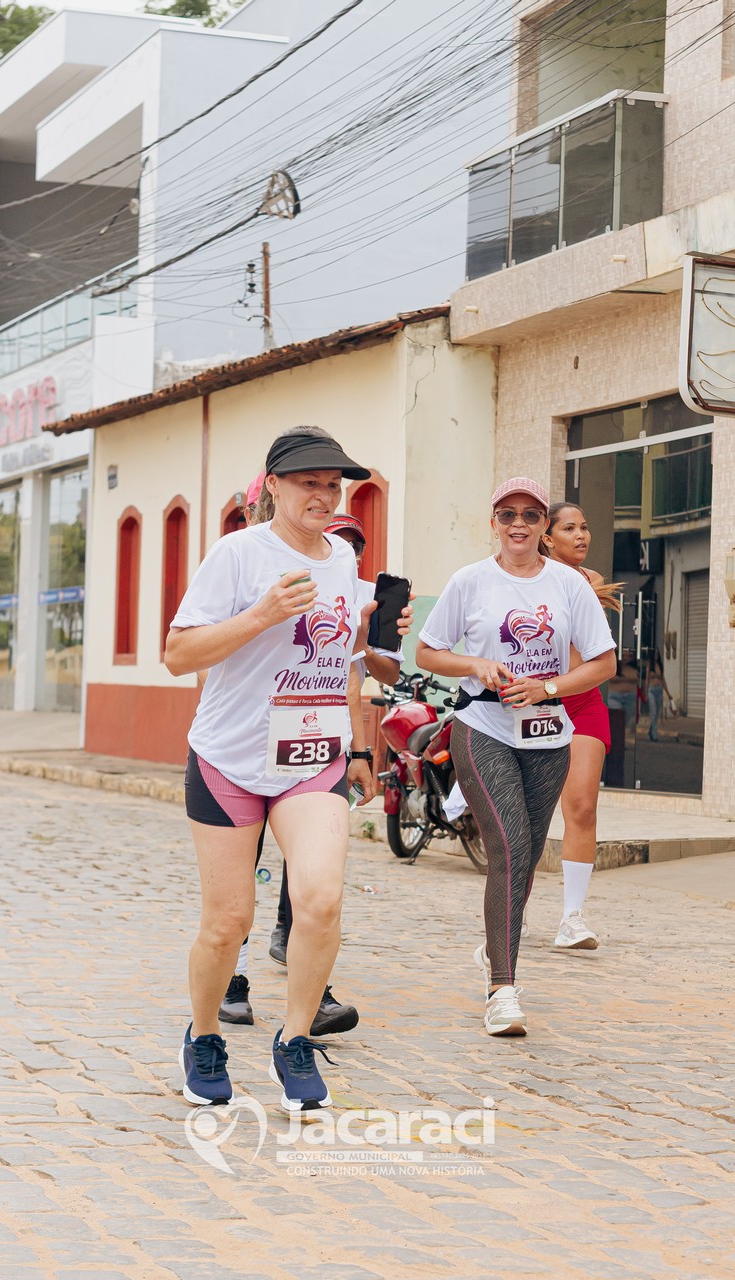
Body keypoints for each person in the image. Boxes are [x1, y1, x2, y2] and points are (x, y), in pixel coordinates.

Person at [165, 428, 376, 1111]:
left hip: (311, 758)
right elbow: (177, 654)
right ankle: (203, 1035)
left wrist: (360, 734)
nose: (323, 494)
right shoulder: (238, 553)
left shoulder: (343, 558)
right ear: (275, 486)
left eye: (332, 484)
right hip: (229, 758)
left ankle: (295, 1039)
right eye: (308, 482)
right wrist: (260, 615)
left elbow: (344, 659)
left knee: (320, 898)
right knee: (228, 922)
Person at [415, 477, 616, 1037]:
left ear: (544, 526)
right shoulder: (470, 581)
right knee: (508, 846)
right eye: (508, 515)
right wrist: (474, 665)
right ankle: (502, 989)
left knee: (524, 855)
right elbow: (428, 651)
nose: (519, 523)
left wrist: (547, 688)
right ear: (494, 523)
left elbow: (603, 662)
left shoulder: (569, 585)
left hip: (548, 733)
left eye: (530, 514)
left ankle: (496, 942)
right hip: (483, 726)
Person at [268, 511, 408, 970]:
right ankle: (239, 959)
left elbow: (385, 673)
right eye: (338, 538)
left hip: (331, 735)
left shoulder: (371, 597)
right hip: (273, 725)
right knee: (250, 852)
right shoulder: (289, 584)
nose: (348, 548)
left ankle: (295, 940)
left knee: (314, 846)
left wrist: (366, 637)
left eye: (356, 543)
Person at [539, 502, 622, 949]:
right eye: (569, 528)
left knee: (583, 807)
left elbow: (594, 652)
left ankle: (572, 917)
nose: (581, 535)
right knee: (528, 815)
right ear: (547, 538)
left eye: (584, 527)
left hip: (583, 701)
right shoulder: (528, 579)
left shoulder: (590, 580)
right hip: (535, 705)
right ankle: (512, 908)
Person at [646, 647, 675, 742]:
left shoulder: (660, 666)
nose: (656, 656)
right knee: (653, 713)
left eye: (657, 654)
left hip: (659, 690)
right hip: (651, 690)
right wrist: (645, 692)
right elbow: (647, 679)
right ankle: (655, 735)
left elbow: (663, 680)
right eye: (655, 654)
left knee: (656, 714)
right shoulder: (650, 666)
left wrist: (668, 693)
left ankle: (650, 731)